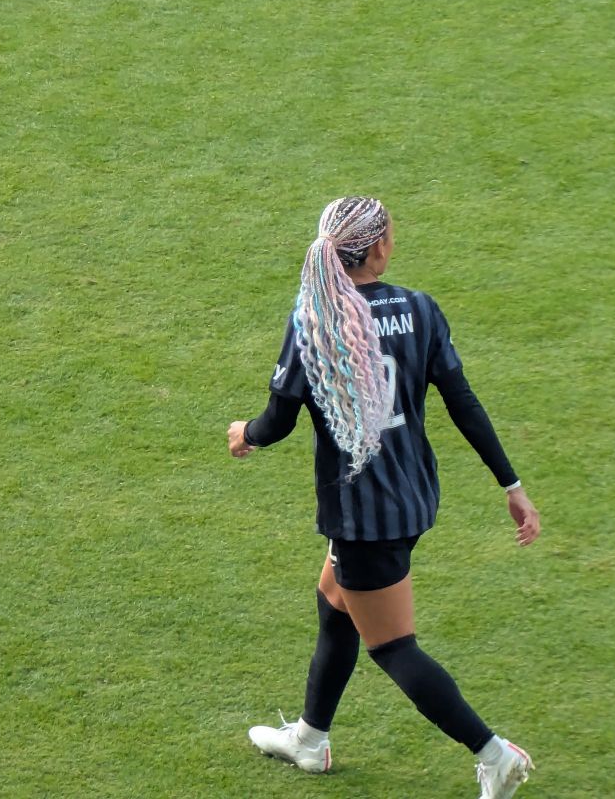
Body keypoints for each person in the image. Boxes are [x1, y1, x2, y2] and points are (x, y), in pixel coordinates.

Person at [227, 196, 541, 799]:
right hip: (412, 496)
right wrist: (513, 486)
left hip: (362, 516)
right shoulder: (420, 309)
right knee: (334, 601)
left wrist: (247, 435)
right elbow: (463, 403)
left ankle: (494, 755)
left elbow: (279, 419)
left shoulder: (315, 319)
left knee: (393, 647)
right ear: (376, 250)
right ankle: (310, 739)